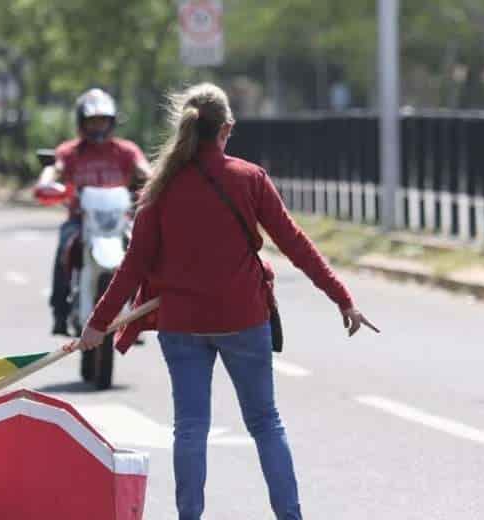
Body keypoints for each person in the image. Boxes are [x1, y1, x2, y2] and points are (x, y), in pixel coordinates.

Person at [68, 83, 377, 520]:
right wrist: (342, 298)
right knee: (265, 423)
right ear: (226, 128)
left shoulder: (160, 188)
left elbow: (132, 267)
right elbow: (295, 244)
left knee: (190, 428)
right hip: (244, 320)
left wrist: (97, 325)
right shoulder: (250, 179)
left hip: (181, 324)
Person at [38, 88, 151, 335]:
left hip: (119, 221)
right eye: (92, 121)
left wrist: (155, 183)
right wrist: (47, 181)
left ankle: (139, 313)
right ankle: (60, 312)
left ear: (112, 122)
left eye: (102, 120)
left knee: (143, 253)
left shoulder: (126, 151)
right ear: (81, 122)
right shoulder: (69, 152)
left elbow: (145, 171)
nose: (98, 126)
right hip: (81, 221)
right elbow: (55, 169)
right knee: (65, 248)